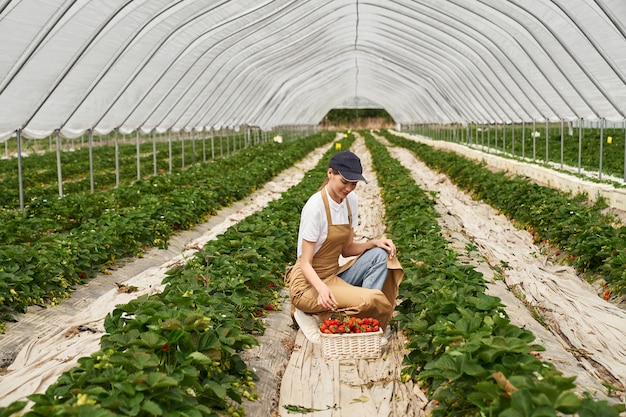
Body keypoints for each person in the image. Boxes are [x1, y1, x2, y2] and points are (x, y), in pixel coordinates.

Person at [285, 150, 404, 344]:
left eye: (354, 183)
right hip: (307, 285)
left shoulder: (350, 202)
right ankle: (312, 312)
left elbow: (347, 249)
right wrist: (322, 289)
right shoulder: (315, 207)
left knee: (381, 255)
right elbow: (305, 262)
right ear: (330, 173)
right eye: (344, 181)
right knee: (370, 300)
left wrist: (374, 243)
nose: (349, 188)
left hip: (332, 276)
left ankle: (362, 321)